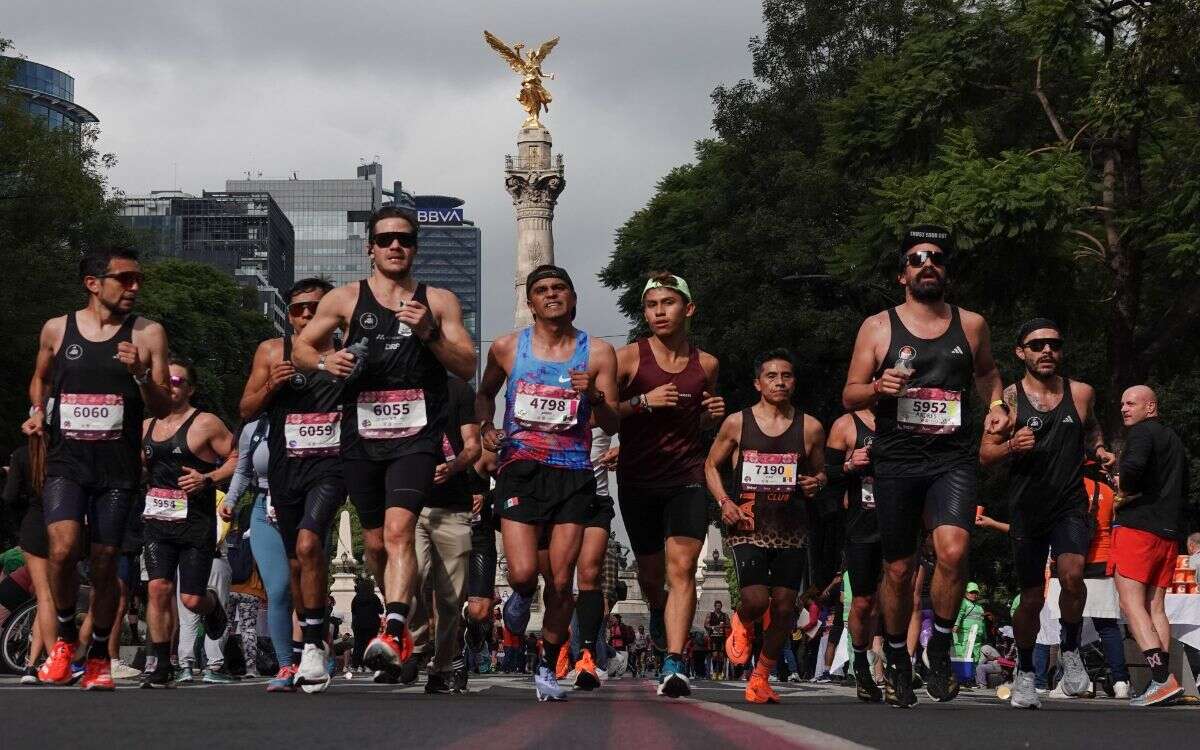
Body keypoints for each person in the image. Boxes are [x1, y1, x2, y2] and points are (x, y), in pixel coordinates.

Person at [292, 205, 476, 679]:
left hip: (416, 436)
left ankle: (393, 626)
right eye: (386, 239)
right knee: (375, 544)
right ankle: (403, 616)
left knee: (398, 532)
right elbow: (301, 346)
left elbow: (466, 366)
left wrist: (429, 332)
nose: (396, 246)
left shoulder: (438, 300)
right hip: (361, 437)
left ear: (415, 247)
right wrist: (322, 364)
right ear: (370, 248)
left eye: (405, 239)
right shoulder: (346, 298)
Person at [842, 225, 1009, 707]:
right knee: (898, 568)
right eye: (916, 258)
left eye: (935, 257)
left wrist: (996, 404)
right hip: (896, 456)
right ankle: (896, 655)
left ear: (946, 272)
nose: (926, 264)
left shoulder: (971, 324)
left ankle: (938, 642)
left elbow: (988, 374)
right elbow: (849, 392)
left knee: (954, 552)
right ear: (903, 274)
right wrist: (878, 388)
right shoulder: (877, 327)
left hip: (951, 457)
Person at [22, 246, 172, 690]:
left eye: (138, 279)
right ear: (93, 283)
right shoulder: (57, 329)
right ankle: (66, 639)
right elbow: (42, 377)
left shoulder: (148, 334)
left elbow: (162, 404)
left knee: (106, 564)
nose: (134, 287)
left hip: (117, 468)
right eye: (124, 279)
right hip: (67, 461)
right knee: (64, 551)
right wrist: (37, 410)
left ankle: (100, 655)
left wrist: (142, 374)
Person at [476, 264, 620, 702]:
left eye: (560, 288)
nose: (551, 295)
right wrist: (485, 427)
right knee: (522, 575)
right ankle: (518, 606)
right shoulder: (505, 348)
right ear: (530, 300)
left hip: (573, 473)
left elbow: (611, 421)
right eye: (542, 290)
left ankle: (547, 663)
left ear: (573, 298)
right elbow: (484, 393)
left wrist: (593, 395)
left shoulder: (597, 353)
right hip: (520, 468)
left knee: (561, 583)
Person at [978, 318, 1114, 709]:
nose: (1046, 351)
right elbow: (986, 455)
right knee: (1032, 598)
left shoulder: (1082, 392)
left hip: (1070, 504)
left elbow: (1091, 433)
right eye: (1036, 345)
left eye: (1053, 344)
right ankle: (1024, 671)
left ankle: (1070, 650)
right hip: (1027, 508)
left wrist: (1101, 452)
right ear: (1021, 353)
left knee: (1072, 577)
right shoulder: (1008, 399)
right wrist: (1010, 448)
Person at [615, 272, 724, 698]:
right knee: (650, 573)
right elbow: (599, 417)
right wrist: (643, 401)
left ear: (688, 308)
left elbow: (698, 421)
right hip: (638, 477)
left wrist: (710, 416)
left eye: (668, 303)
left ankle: (674, 663)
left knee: (682, 569)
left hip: (687, 476)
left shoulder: (708, 364)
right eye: (652, 305)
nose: (659, 312)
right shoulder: (626, 359)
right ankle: (657, 611)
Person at [236, 276, 348, 692]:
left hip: (331, 467)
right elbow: (245, 409)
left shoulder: (346, 352)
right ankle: (302, 655)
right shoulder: (271, 351)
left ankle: (314, 643)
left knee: (308, 543)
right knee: (297, 563)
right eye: (299, 308)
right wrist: (271, 385)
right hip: (286, 468)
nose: (306, 315)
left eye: (315, 307)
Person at [708, 349, 826, 704]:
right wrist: (725, 503)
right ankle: (741, 622)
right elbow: (711, 466)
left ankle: (761, 676)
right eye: (772, 376)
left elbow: (821, 472)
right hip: (747, 522)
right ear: (758, 383)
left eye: (786, 376)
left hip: (790, 526)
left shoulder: (811, 427)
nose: (779, 382)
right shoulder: (736, 423)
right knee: (757, 600)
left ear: (794, 382)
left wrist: (816, 482)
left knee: (787, 608)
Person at [139, 358, 236, 688]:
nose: (171, 384)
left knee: (190, 599)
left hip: (195, 521)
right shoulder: (146, 426)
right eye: (165, 380)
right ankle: (162, 663)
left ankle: (213, 608)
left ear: (191, 388)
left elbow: (238, 457)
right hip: (156, 520)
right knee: (157, 587)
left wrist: (208, 479)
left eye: (178, 380)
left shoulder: (206, 423)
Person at [1111, 385, 1189, 706]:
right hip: (1169, 531)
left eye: (1131, 403)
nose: (1124, 409)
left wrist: (1120, 481)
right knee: (1155, 606)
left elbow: (1131, 472)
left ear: (1151, 407)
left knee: (1131, 604)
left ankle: (1159, 679)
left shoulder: (1142, 434)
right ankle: (1164, 681)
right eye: (1122, 404)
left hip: (1138, 528)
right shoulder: (1174, 440)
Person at [408, 374, 482, 694]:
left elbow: (473, 446)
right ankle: (416, 645)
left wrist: (453, 468)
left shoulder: (460, 390)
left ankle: (443, 664)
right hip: (409, 504)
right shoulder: (398, 385)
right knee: (411, 579)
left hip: (453, 507)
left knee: (451, 599)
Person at [223, 416, 298, 691]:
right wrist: (231, 501)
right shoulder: (254, 429)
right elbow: (243, 470)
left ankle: (312, 648)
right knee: (277, 590)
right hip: (264, 509)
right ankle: (286, 664)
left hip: (305, 504)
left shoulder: (316, 411)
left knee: (304, 589)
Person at [827, 408, 882, 701]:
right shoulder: (846, 424)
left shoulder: (910, 418)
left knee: (906, 599)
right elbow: (824, 474)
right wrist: (849, 465)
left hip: (900, 521)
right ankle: (860, 665)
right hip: (862, 526)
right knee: (864, 602)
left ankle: (899, 664)